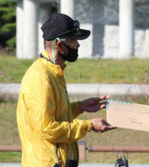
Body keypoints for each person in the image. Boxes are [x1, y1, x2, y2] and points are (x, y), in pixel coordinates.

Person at [16, 13, 116, 167]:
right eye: (73, 40)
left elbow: (53, 113)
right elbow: (47, 128)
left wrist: (79, 107)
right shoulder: (40, 78)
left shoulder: (53, 71)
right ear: (59, 45)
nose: (78, 45)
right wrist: (88, 126)